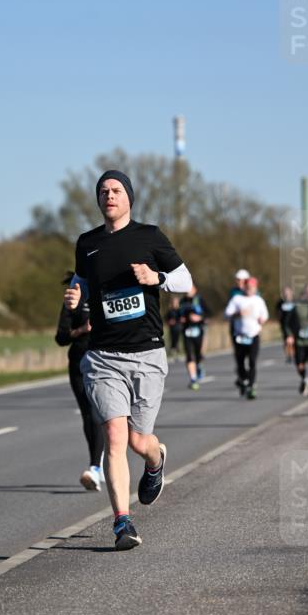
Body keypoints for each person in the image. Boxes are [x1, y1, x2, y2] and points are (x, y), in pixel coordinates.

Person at [64, 170, 192, 550]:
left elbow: (185, 280)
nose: (109, 196)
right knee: (115, 436)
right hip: (103, 356)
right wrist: (75, 297)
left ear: (129, 197)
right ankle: (123, 523)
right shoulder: (86, 244)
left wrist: (156, 277)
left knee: (139, 441)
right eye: (103, 191)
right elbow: (84, 284)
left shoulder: (149, 236)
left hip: (147, 353)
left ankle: (156, 461)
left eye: (116, 190)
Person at [55, 271, 105, 491]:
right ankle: (97, 465)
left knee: (97, 413)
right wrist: (82, 330)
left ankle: (96, 466)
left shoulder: (105, 295)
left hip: (102, 362)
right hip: (77, 361)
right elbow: (61, 337)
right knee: (87, 414)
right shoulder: (71, 301)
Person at [224, 276, 269, 399]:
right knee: (240, 363)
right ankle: (243, 380)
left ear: (255, 288)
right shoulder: (237, 299)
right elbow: (226, 314)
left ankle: (251, 386)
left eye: (252, 287)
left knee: (252, 361)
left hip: (253, 335)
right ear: (244, 287)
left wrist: (262, 319)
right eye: (248, 287)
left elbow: (265, 315)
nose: (249, 289)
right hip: (239, 336)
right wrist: (238, 314)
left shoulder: (258, 300)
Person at [178, 284, 209, 390]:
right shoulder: (182, 301)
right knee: (189, 355)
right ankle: (193, 379)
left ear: (194, 289)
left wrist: (199, 318)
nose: (187, 291)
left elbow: (208, 313)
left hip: (198, 330)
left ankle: (199, 366)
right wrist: (180, 319)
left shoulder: (199, 299)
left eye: (189, 288)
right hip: (187, 331)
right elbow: (177, 314)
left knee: (198, 354)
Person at [276, 286, 295, 364]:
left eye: (288, 293)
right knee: (286, 342)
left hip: (293, 325)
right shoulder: (280, 303)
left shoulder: (295, 302)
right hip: (284, 325)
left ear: (291, 293)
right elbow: (278, 313)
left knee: (293, 341)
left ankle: (293, 354)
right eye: (285, 293)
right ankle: (289, 355)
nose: (286, 295)